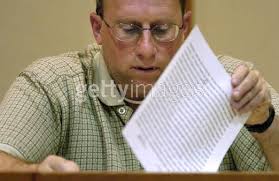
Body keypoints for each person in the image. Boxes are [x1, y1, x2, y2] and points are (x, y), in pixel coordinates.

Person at [0, 0, 278, 172]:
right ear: (98, 28)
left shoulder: (230, 84)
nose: (146, 50)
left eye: (161, 30)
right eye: (129, 29)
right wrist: (35, 172)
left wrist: (265, 123)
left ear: (184, 28)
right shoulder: (54, 84)